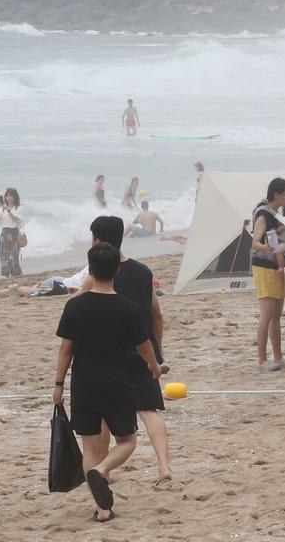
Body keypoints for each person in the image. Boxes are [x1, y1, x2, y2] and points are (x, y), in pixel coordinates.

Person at [52, 243, 162, 523]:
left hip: (84, 384)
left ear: (89, 270)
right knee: (126, 441)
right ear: (116, 269)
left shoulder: (75, 306)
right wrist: (154, 366)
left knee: (89, 447)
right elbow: (143, 344)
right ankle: (102, 471)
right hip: (119, 384)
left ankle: (102, 509)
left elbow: (66, 348)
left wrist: (58, 384)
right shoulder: (128, 308)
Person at [88, 216, 173, 480]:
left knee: (103, 416)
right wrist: (157, 351)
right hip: (142, 349)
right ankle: (163, 466)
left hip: (110, 354)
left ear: (97, 240)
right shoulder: (142, 272)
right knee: (149, 409)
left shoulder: (99, 271)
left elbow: (82, 304)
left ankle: (105, 470)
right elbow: (156, 314)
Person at [251, 178, 285, 371]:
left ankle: (278, 357)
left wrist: (280, 263)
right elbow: (254, 243)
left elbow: (274, 238)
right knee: (267, 314)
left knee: (276, 314)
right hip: (263, 266)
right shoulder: (263, 214)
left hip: (274, 265)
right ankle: (262, 360)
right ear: (277, 194)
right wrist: (269, 248)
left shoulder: (275, 215)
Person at [0, 188, 24, 277]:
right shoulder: (2, 208)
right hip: (4, 234)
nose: (8, 198)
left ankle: (16, 275)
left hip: (14, 233)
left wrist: (8, 210)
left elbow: (16, 219)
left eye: (11, 196)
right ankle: (7, 276)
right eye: (7, 196)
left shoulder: (18, 208)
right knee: (4, 256)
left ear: (15, 197)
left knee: (14, 255)